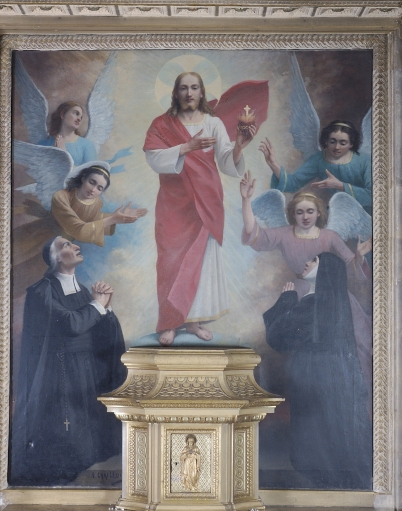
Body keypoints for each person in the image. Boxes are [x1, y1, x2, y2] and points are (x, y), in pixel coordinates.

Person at [143, 72, 255, 346]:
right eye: (183, 88)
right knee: (170, 260)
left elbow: (226, 162)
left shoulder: (213, 123)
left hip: (206, 199)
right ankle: (170, 322)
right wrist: (185, 148)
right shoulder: (162, 124)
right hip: (174, 201)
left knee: (201, 261)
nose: (189, 93)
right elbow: (154, 159)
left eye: (194, 88)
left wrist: (239, 147)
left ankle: (193, 321)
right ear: (176, 93)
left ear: (202, 92)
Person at [9, 236, 127, 486]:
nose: (76, 246)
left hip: (87, 370)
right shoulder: (41, 291)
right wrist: (97, 305)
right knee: (68, 438)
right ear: (55, 259)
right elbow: (71, 324)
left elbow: (97, 330)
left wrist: (106, 308)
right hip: (60, 373)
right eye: (66, 245)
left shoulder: (82, 291)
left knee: (90, 433)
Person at [240, 173, 372, 394]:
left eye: (310, 211)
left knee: (357, 343)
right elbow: (254, 235)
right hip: (302, 295)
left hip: (333, 296)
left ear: (318, 212)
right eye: (299, 212)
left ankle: (354, 394)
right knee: (304, 351)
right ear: (292, 214)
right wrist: (246, 200)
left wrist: (358, 257)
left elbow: (349, 267)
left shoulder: (329, 236)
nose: (305, 216)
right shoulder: (284, 234)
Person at [263, 253, 372, 489]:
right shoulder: (336, 302)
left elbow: (276, 336)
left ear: (324, 270)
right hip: (331, 376)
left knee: (316, 436)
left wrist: (286, 300)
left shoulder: (313, 304)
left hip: (312, 377)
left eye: (313, 261)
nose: (306, 262)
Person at [12, 161, 147, 297]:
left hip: (59, 251)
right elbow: (78, 229)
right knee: (12, 256)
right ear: (83, 178)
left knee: (25, 277)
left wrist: (119, 217)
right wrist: (112, 219)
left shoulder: (95, 203)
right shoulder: (62, 196)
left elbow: (93, 219)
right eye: (92, 182)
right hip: (38, 236)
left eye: (99, 188)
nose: (93, 189)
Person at [260, 120, 372, 214]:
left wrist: (340, 186)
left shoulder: (365, 161)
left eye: (343, 143)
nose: (337, 147)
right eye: (332, 142)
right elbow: (292, 183)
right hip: (337, 213)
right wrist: (273, 163)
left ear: (351, 144)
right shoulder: (319, 159)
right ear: (326, 141)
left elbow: (372, 196)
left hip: (367, 215)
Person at [37, 101, 97, 165]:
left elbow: (91, 170)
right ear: (62, 115)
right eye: (76, 114)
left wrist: (65, 158)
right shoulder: (44, 144)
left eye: (81, 117)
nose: (79, 119)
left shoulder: (87, 145)